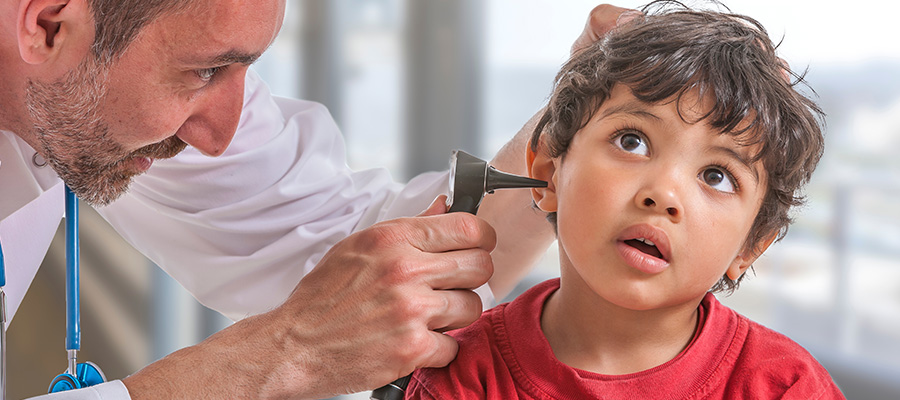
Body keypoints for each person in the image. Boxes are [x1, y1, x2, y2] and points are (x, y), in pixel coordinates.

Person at [0, 0, 636, 398]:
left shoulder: (86, 79)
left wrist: (571, 124)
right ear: (49, 23)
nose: (219, 136)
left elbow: (345, 252)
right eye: (204, 73)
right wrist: (284, 353)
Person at [406, 2, 846, 399]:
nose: (663, 194)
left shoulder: (789, 388)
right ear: (547, 174)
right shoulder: (464, 379)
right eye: (632, 141)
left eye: (717, 176)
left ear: (751, 245)